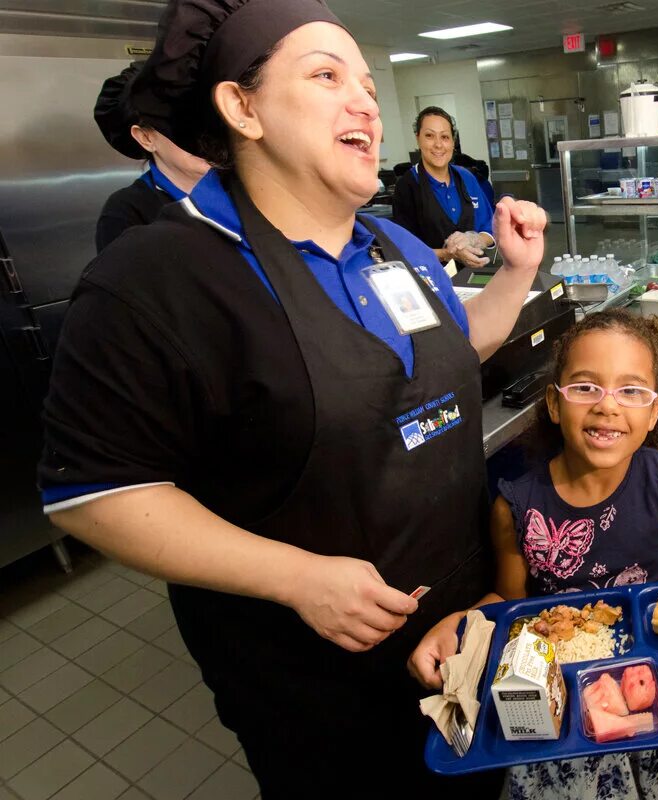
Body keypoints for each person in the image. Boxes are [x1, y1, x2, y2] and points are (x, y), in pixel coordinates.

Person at [39, 1, 548, 796]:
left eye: (370, 85)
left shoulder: (394, 245)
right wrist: (298, 579)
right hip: (312, 677)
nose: (367, 103)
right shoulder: (157, 278)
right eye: (326, 75)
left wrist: (516, 275)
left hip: (458, 626)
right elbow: (93, 494)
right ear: (242, 108)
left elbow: (444, 355)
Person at [410, 309, 658, 800]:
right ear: (553, 402)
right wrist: (460, 622)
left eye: (631, 390)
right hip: (562, 707)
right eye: (586, 387)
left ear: (655, 411)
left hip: (656, 691)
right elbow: (506, 601)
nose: (608, 406)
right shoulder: (516, 504)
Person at [92, 61, 210, 252]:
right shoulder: (127, 214)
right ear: (146, 137)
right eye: (182, 125)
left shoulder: (248, 186)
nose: (204, 136)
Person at [392, 106, 497, 268]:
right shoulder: (407, 186)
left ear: (453, 142)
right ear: (418, 138)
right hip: (431, 278)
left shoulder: (466, 177)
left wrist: (474, 239)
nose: (438, 144)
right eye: (429, 136)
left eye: (445, 137)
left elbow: (490, 230)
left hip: (473, 275)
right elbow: (404, 249)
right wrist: (447, 254)